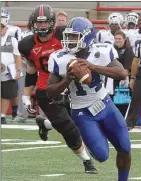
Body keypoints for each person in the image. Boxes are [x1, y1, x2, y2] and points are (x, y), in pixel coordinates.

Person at [47, 17, 131, 181]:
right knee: (102, 155)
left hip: (106, 105)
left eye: (74, 36)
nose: (69, 40)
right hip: (82, 112)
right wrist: (67, 80)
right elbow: (50, 92)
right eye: (68, 36)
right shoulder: (60, 58)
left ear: (86, 37)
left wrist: (91, 66)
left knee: (125, 147)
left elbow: (122, 74)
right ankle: (92, 140)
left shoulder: (103, 51)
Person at [18, 4, 97, 174]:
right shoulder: (26, 44)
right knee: (68, 127)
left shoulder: (64, 34)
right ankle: (87, 161)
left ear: (52, 23)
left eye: (44, 23)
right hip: (47, 90)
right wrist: (26, 95)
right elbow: (31, 71)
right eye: (38, 23)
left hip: (71, 85)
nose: (41, 26)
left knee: (79, 120)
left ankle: (45, 124)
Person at [1, 9, 22, 124]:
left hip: (10, 68)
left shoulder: (14, 32)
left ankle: (13, 110)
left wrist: (18, 69)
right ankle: (3, 115)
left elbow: (18, 52)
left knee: (12, 93)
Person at [113, 30, 134, 116]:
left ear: (125, 39)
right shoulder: (113, 49)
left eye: (120, 39)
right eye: (116, 39)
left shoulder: (128, 50)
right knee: (116, 100)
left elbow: (128, 66)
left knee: (124, 100)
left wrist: (124, 77)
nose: (117, 40)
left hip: (124, 78)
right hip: (114, 77)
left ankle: (125, 117)